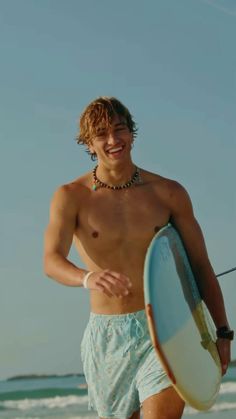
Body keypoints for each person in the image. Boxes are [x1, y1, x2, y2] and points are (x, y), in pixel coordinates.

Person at [44, 97, 233, 419]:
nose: (113, 141)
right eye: (102, 134)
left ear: (132, 133)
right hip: (108, 334)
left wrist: (223, 331)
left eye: (120, 130)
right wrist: (88, 278)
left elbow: (201, 266)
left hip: (169, 325)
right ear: (88, 143)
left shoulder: (168, 193)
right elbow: (51, 261)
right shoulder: (71, 196)